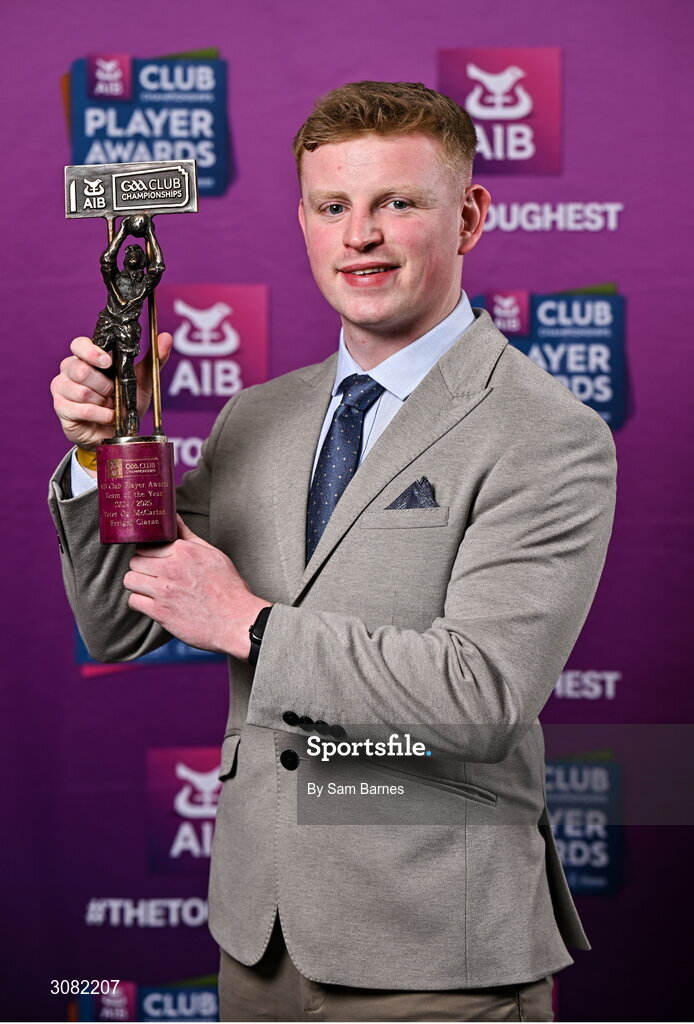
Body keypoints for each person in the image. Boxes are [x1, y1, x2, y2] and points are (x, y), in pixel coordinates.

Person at [49, 81, 617, 1022]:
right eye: (333, 207)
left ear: (470, 216)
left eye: (398, 202)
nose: (361, 236)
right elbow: (117, 625)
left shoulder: (547, 435)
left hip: (438, 950)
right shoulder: (259, 416)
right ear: (306, 222)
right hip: (259, 939)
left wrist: (249, 624)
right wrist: (100, 455)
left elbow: (481, 697)